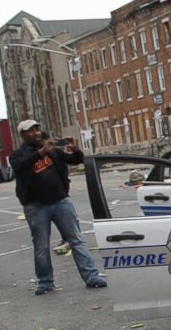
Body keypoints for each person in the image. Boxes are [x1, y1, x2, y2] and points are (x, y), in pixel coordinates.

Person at [9, 120, 107, 295]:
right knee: (41, 246)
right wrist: (40, 153)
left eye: (37, 129)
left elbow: (76, 160)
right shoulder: (18, 155)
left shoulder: (52, 150)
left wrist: (74, 148)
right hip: (36, 207)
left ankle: (91, 276)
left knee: (76, 240)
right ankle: (45, 282)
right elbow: (20, 167)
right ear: (23, 135)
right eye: (31, 131)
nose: (36, 133)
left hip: (61, 202)